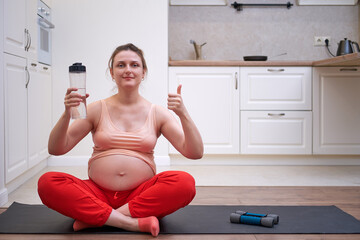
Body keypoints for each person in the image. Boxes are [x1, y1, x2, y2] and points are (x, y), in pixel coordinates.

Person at [37, 43, 203, 237]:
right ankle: (129, 223)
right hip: (96, 193)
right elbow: (56, 149)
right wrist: (66, 113)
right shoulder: (96, 109)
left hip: (140, 195)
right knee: (47, 182)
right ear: (112, 72)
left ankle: (99, 218)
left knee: (184, 183)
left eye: (134, 65)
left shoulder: (158, 113)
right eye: (121, 65)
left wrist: (183, 114)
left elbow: (195, 153)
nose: (128, 70)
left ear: (143, 72)